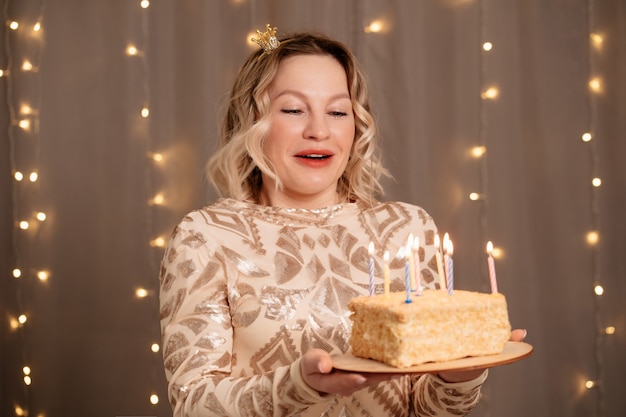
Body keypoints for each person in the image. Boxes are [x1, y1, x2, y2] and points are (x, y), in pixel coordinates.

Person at [159, 26, 526, 417]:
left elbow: (426, 409)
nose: (319, 130)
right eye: (293, 109)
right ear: (253, 120)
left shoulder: (407, 229)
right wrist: (299, 385)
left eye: (337, 112)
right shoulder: (206, 237)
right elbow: (194, 404)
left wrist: (462, 375)